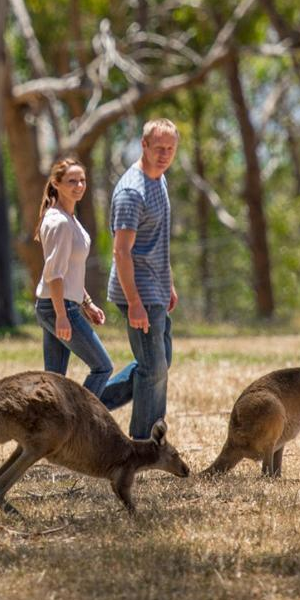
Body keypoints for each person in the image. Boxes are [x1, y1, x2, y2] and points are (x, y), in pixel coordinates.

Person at [99, 118, 179, 440]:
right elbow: (122, 253)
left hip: (156, 288)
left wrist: (168, 282)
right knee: (153, 368)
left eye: (170, 149)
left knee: (159, 363)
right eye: (158, 148)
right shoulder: (131, 192)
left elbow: (157, 240)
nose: (164, 154)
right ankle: (145, 444)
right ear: (143, 145)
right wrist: (134, 303)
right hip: (137, 291)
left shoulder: (159, 179)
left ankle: (86, 406)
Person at [33, 158, 114, 396]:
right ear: (56, 184)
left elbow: (70, 272)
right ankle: (80, 421)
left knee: (55, 382)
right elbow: (54, 275)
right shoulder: (59, 222)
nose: (79, 185)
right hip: (58, 307)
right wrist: (61, 315)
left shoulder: (68, 218)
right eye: (72, 181)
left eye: (82, 180)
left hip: (60, 304)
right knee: (102, 367)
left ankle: (51, 430)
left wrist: (86, 303)